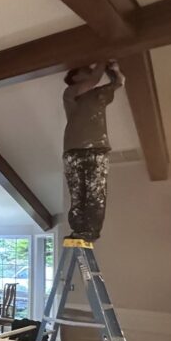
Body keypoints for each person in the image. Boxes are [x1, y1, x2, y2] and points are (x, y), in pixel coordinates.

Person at [62, 61, 124, 241]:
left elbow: (119, 83)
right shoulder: (71, 93)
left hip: (98, 149)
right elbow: (94, 79)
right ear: (74, 78)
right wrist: (102, 59)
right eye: (85, 71)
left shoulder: (99, 95)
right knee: (77, 194)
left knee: (96, 194)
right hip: (73, 150)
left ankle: (90, 232)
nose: (90, 74)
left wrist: (114, 70)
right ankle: (78, 230)